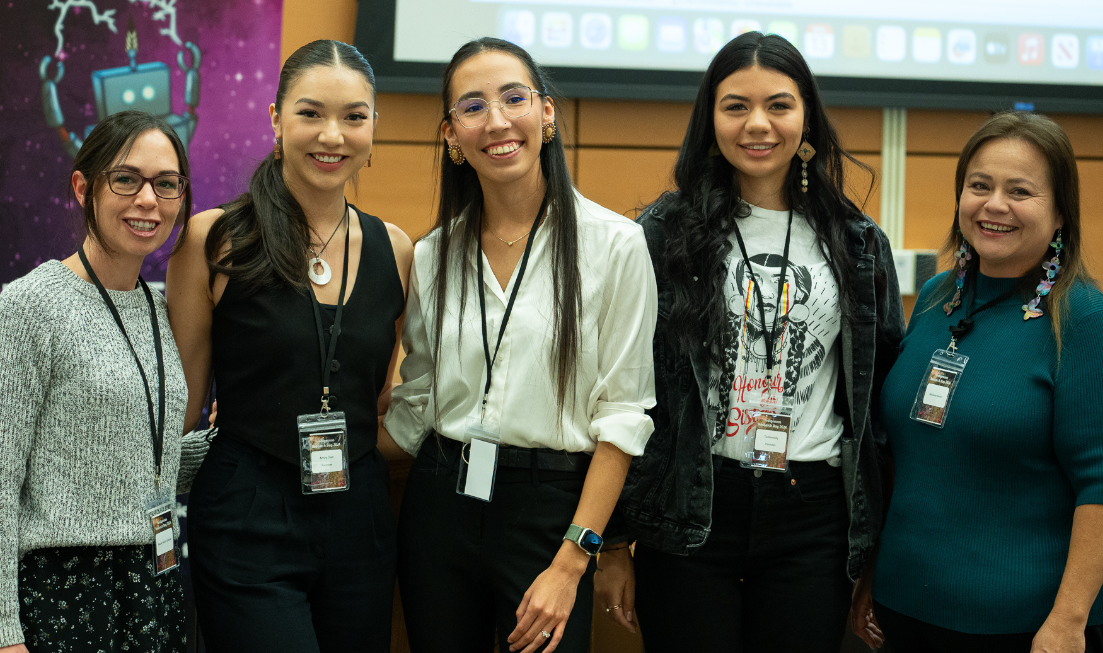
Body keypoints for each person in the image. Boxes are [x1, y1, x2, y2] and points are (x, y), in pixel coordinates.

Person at [597, 31, 906, 652]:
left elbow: (878, 409)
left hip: (813, 510)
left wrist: (871, 547)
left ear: (807, 118)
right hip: (691, 505)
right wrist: (613, 542)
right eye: (735, 105)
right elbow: (625, 389)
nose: (757, 124)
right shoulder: (657, 234)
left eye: (779, 105)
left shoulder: (858, 244)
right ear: (709, 119)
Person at [382, 37, 657, 653]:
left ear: (547, 114)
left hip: (549, 514)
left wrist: (572, 560)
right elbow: (417, 403)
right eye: (472, 107)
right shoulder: (433, 256)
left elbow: (623, 418)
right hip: (439, 506)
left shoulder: (614, 246)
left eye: (514, 98)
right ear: (451, 134)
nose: (498, 121)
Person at [165, 40, 412, 652]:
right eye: (310, 113)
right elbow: (184, 405)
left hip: (360, 517)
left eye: (354, 117)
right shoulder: (214, 238)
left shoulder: (397, 250)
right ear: (276, 119)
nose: (333, 135)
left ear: (374, 128)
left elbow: (377, 395)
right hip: (247, 510)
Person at [850, 112, 1103, 652]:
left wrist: (1067, 623)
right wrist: (872, 574)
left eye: (1021, 191)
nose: (994, 205)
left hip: (1023, 628)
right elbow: (904, 457)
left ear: (1060, 212)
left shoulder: (1083, 318)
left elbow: (1099, 484)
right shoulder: (939, 298)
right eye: (979, 186)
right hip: (904, 610)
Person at [0, 110, 206, 652]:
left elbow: (127, 460)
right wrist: (3, 631)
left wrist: (227, 440)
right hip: (64, 590)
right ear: (82, 187)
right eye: (126, 179)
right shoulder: (30, 306)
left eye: (166, 184)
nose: (148, 200)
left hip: (153, 580)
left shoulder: (160, 309)